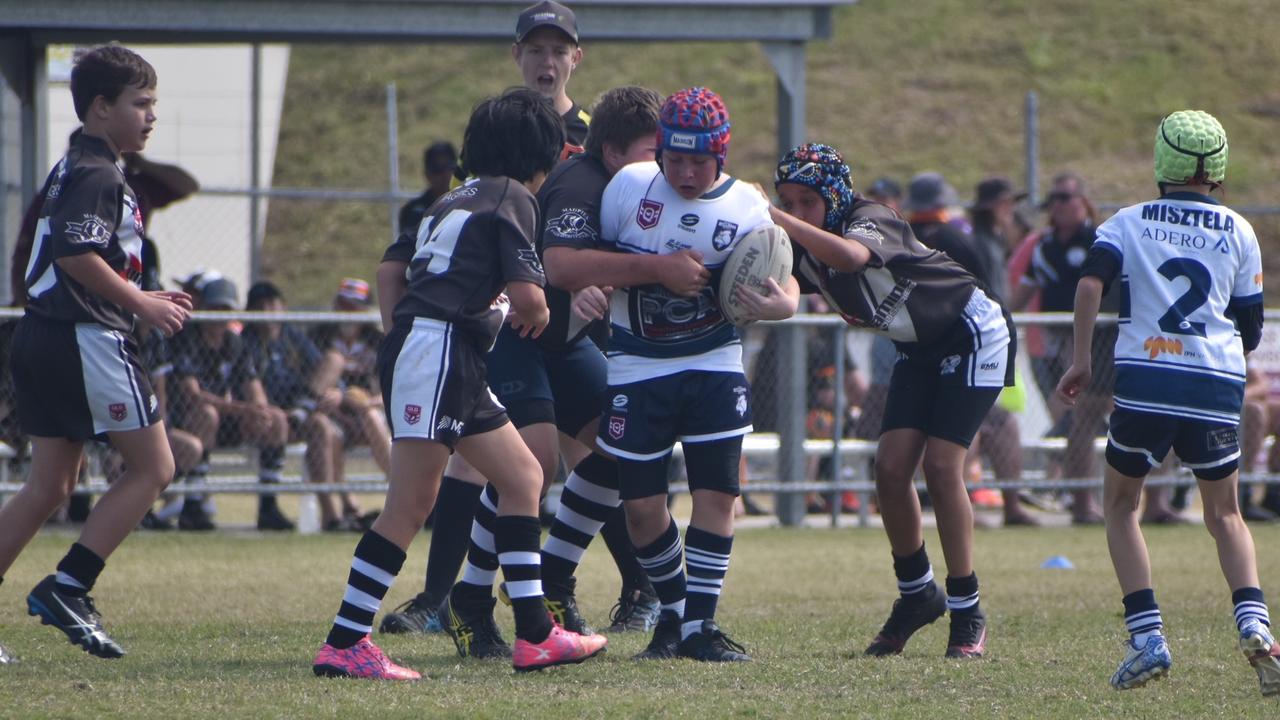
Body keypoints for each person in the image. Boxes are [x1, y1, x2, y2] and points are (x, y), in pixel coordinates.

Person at [311, 88, 606, 680]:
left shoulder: (451, 200)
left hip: (446, 354)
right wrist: (539, 314)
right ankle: (346, 642)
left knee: (525, 475)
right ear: (542, 153)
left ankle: (536, 637)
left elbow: (393, 269)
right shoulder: (515, 195)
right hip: (442, 352)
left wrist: (409, 333)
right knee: (409, 504)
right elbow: (529, 298)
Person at [379, 86, 664, 645]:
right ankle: (475, 599)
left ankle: (547, 576)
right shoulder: (557, 188)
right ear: (609, 151)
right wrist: (407, 333)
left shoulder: (640, 193)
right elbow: (554, 268)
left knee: (623, 435)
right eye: (656, 152)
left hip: (562, 340)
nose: (666, 167)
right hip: (516, 334)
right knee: (528, 463)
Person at [1055, 110, 1280, 696]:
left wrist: (1080, 359)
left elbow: (1087, 285)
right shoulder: (1239, 229)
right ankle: (1255, 622)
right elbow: (1249, 326)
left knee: (1122, 506)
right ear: (1219, 166)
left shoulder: (1126, 222)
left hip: (1147, 382)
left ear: (1162, 160)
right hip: (1214, 384)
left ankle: (1147, 637)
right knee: (1225, 514)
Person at [768, 142, 1009, 659]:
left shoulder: (869, 216)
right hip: (918, 348)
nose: (795, 212)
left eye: (805, 201)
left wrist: (774, 218)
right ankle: (918, 593)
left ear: (833, 195)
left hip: (971, 332)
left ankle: (968, 609)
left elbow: (853, 257)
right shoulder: (810, 246)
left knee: (943, 468)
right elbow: (794, 282)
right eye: (786, 201)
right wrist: (776, 301)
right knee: (891, 468)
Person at [591, 87, 799, 662]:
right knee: (640, 509)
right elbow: (595, 257)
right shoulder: (630, 187)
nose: (683, 172)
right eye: (674, 158)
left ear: (721, 156)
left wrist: (788, 305)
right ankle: (676, 616)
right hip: (635, 365)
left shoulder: (747, 207)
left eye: (697, 161)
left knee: (717, 495)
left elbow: (786, 273)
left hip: (714, 363)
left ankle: (698, 628)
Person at [0, 45, 192, 662]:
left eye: (153, 103)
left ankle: (63, 586)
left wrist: (138, 292)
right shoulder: (99, 173)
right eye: (141, 103)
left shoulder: (78, 163)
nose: (151, 115)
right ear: (101, 108)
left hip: (43, 333)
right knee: (155, 467)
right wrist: (142, 304)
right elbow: (75, 257)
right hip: (86, 336)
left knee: (51, 484)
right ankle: (70, 585)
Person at [1008, 172, 1110, 524]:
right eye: (1053, 199)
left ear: (1083, 201)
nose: (1059, 205)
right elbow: (1024, 290)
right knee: (1071, 417)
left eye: (1066, 197)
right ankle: (1075, 497)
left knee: (1090, 417)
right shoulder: (1044, 245)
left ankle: (1096, 495)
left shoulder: (1100, 239)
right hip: (1051, 346)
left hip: (1100, 343)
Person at [168, 277, 294, 531]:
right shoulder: (187, 339)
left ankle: (268, 506)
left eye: (226, 310)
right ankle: (193, 505)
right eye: (215, 308)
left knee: (277, 418)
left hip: (228, 417)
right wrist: (242, 409)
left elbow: (251, 383)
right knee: (207, 414)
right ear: (203, 308)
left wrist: (261, 410)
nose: (220, 316)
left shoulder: (234, 342)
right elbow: (192, 394)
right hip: (186, 420)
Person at [242, 281, 369, 532]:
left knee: (322, 422)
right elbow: (248, 386)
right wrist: (268, 410)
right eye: (261, 306)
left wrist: (337, 393)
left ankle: (332, 518)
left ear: (283, 307)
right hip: (260, 413)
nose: (269, 312)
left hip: (301, 407)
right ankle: (268, 508)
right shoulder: (246, 342)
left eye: (273, 304)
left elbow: (322, 368)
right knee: (277, 418)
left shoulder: (293, 337)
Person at [513, 1, 590, 153]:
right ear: (517, 54)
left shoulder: (593, 133)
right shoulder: (492, 129)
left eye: (559, 52)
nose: (547, 62)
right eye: (536, 51)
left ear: (575, 58)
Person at [398, 141, 457, 237]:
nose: (445, 175)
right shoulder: (411, 211)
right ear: (427, 174)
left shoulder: (469, 205)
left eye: (450, 167)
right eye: (437, 169)